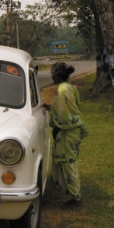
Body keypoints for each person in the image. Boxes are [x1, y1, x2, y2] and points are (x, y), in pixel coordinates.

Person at [44, 62, 88, 209]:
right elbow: (65, 107)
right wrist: (51, 107)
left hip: (68, 130)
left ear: (57, 75)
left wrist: (55, 125)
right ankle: (68, 191)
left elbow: (64, 114)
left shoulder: (63, 91)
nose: (52, 76)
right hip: (73, 130)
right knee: (66, 161)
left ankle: (75, 198)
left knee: (69, 163)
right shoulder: (69, 87)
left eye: (53, 73)